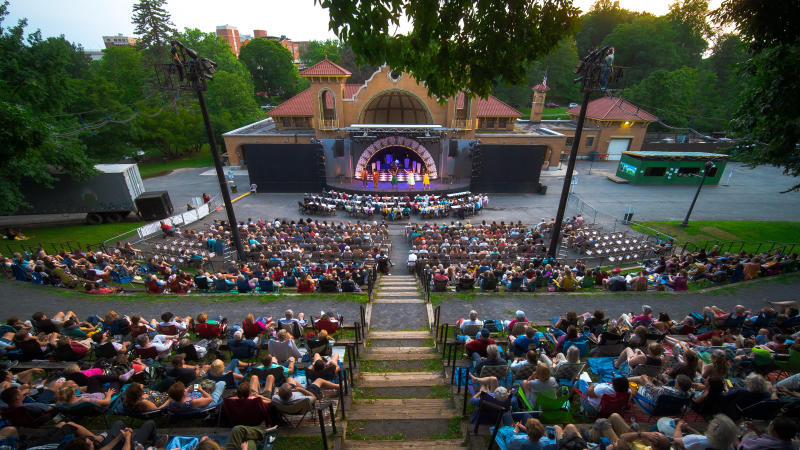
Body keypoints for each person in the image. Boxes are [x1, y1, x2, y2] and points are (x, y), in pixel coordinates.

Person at [671, 415, 739, 450]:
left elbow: (677, 438)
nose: (709, 422)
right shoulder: (730, 447)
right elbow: (701, 438)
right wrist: (689, 428)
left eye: (712, 422)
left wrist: (679, 426)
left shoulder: (696, 440)